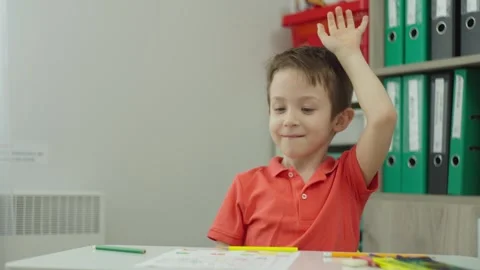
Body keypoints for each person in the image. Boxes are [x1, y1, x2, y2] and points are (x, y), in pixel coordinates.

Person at [207, 7, 397, 251]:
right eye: (279, 108)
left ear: (339, 121)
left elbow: (383, 117)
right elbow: (221, 261)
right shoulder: (245, 185)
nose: (289, 120)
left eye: (306, 109)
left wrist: (349, 54)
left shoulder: (349, 178)